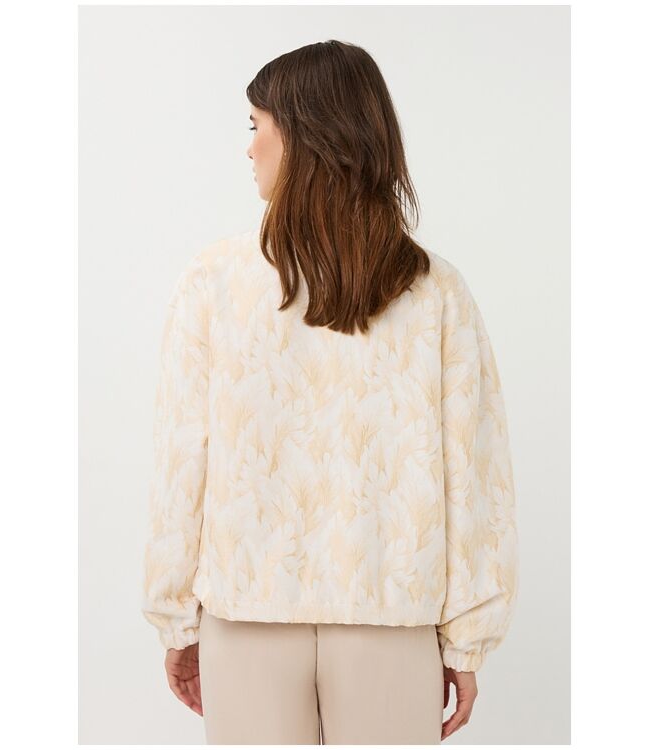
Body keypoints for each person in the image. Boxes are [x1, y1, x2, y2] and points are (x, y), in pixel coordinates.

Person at [141, 39, 519, 744]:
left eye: (256, 125)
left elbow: (181, 463)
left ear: (305, 136)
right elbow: (474, 477)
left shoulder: (213, 282)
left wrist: (177, 618)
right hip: (390, 619)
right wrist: (466, 640)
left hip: (247, 617)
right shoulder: (435, 292)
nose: (248, 147)